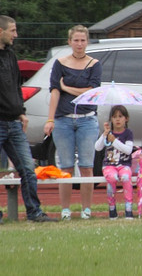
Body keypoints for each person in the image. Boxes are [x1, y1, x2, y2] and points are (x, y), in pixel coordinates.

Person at [0, 16, 57, 222]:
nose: (16, 35)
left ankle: (34, 212)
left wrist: (21, 112)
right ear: (0, 31)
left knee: (28, 170)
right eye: (12, 31)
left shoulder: (10, 56)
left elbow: (16, 87)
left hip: (14, 123)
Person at [43, 24, 102, 221]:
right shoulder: (60, 63)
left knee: (86, 165)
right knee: (66, 166)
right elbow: (54, 91)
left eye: (82, 40)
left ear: (87, 42)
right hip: (63, 120)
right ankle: (65, 210)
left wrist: (67, 87)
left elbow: (92, 93)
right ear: (69, 42)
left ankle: (86, 209)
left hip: (86, 119)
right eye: (75, 40)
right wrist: (50, 119)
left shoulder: (94, 64)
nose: (79, 44)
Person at [94, 105, 135, 220]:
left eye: (120, 116)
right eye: (114, 117)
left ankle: (128, 208)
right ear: (111, 119)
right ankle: (112, 208)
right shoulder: (108, 133)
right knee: (111, 178)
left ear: (126, 118)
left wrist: (114, 141)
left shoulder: (128, 133)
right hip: (109, 165)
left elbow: (128, 150)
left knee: (126, 177)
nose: (117, 119)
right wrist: (105, 134)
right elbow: (97, 147)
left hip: (124, 164)